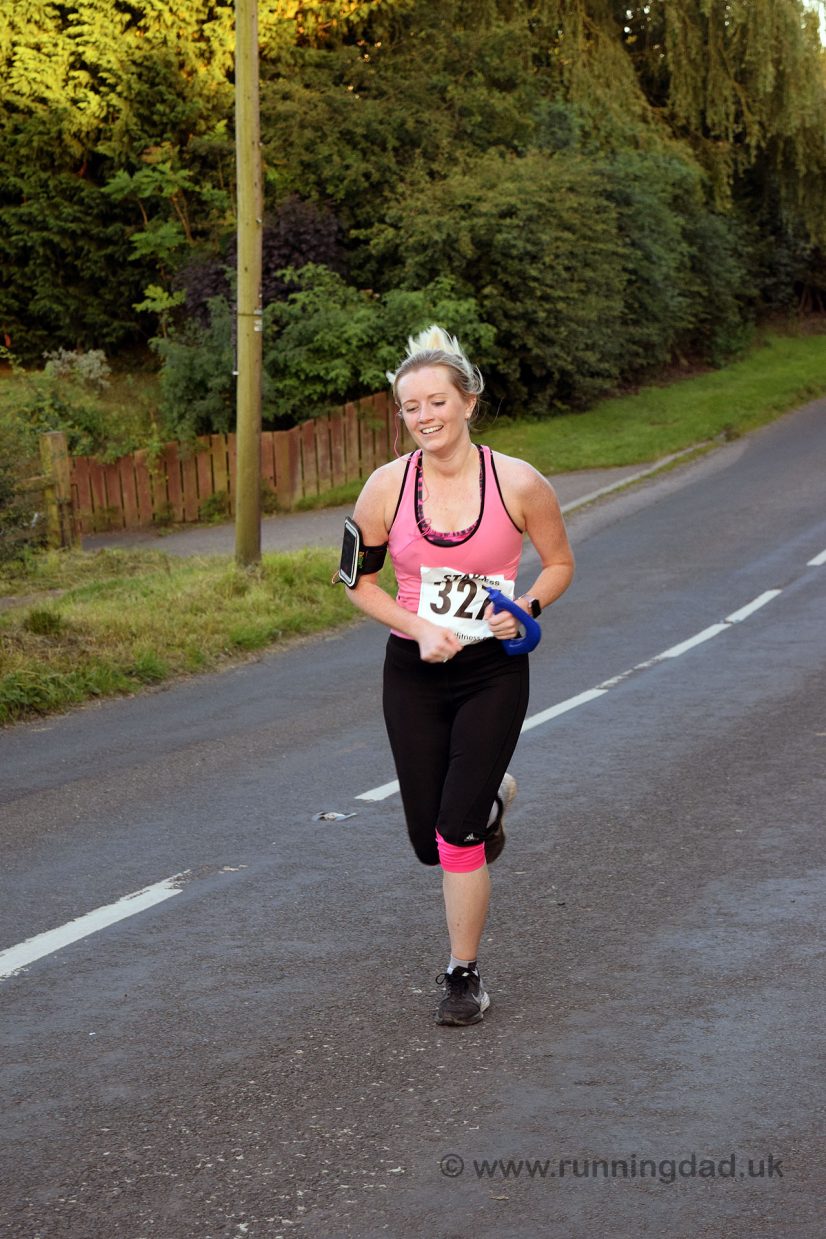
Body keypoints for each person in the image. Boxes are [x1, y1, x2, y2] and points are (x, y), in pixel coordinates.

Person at [343, 326, 575, 1025]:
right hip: (412, 670)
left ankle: (462, 973)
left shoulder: (520, 482)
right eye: (411, 407)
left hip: (492, 671)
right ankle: (494, 797)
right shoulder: (385, 487)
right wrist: (417, 626)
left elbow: (560, 562)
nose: (425, 417)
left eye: (437, 401)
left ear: (468, 401)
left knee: (456, 832)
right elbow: (356, 581)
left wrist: (526, 605)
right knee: (425, 840)